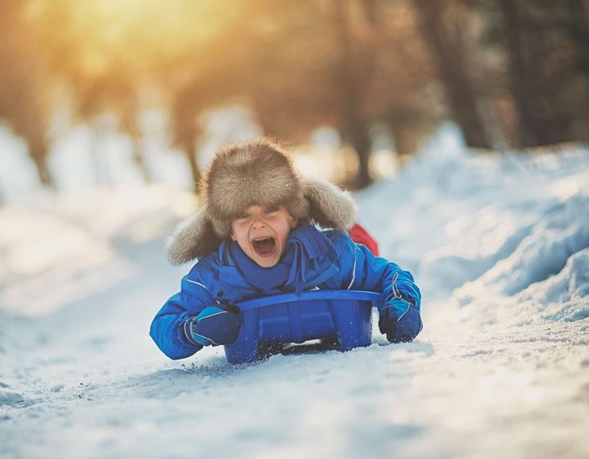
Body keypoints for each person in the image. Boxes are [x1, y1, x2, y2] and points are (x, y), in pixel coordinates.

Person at [150, 138, 422, 360]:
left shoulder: (331, 256)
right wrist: (193, 330)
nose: (258, 223)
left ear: (292, 216)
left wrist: (401, 303)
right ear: (230, 231)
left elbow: (388, 275)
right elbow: (164, 323)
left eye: (270, 210)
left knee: (362, 244)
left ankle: (360, 234)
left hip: (335, 275)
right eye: (243, 216)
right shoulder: (216, 277)